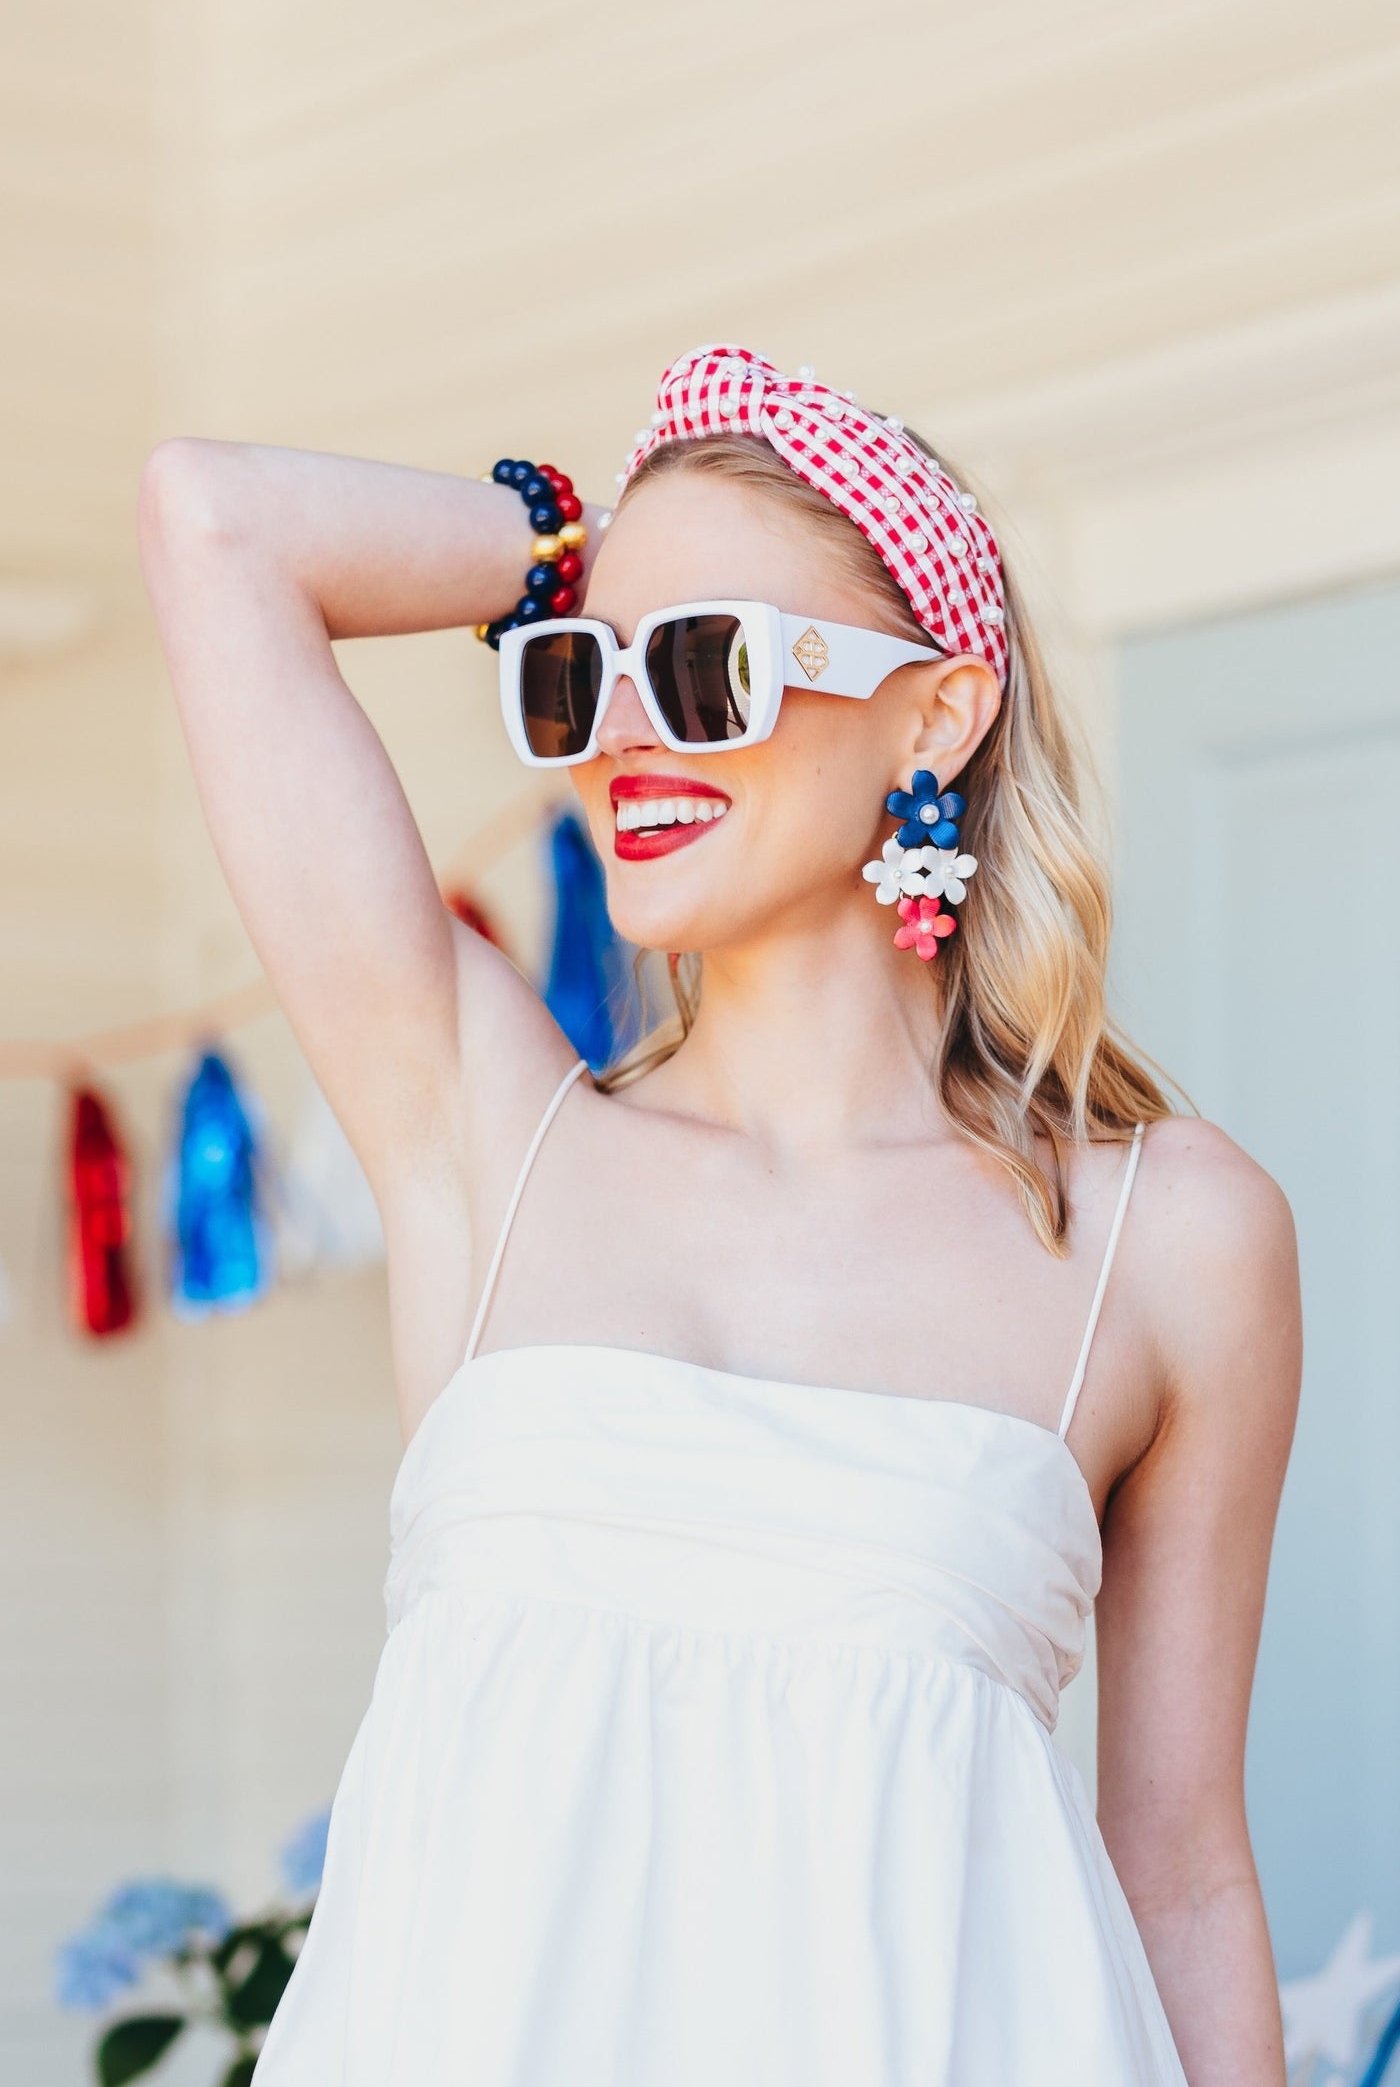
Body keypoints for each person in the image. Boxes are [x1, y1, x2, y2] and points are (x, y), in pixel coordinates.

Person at [137, 342, 1301, 2086]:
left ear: (935, 709)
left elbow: (1185, 1871)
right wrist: (584, 546)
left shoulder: (1175, 1240)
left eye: (705, 668)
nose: (619, 732)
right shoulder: (483, 1132)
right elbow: (211, 522)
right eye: (579, 670)